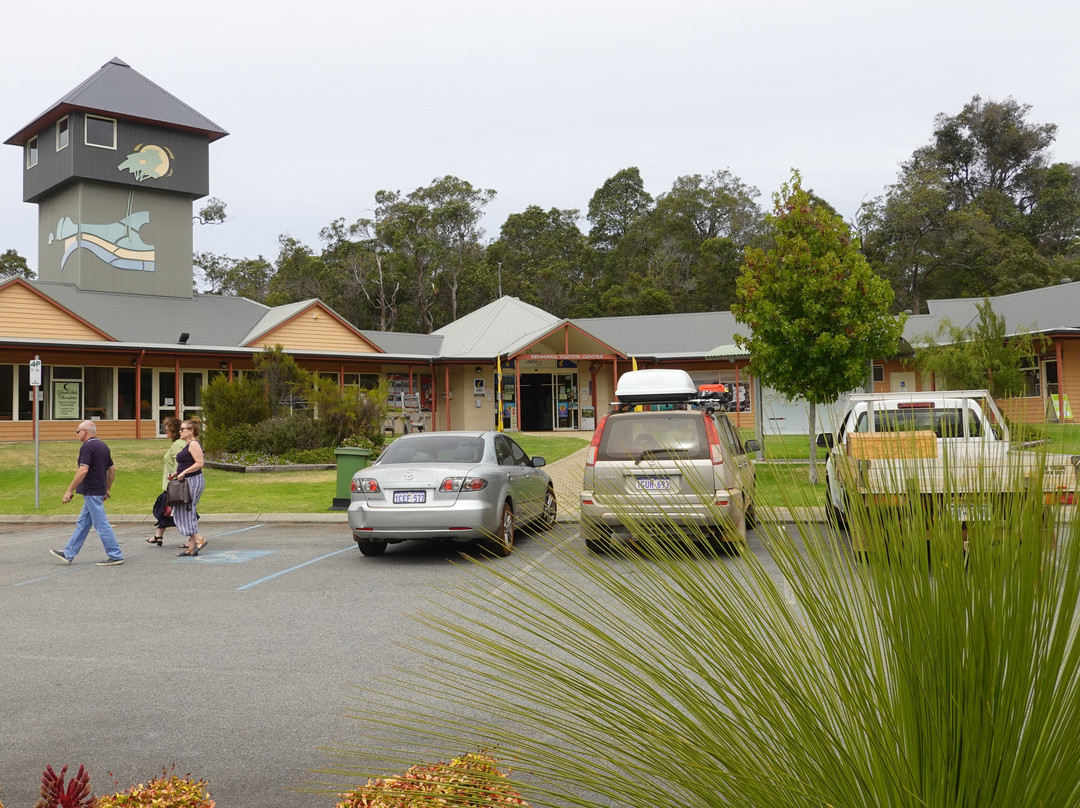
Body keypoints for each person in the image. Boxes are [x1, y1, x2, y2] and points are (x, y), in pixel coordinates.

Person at [51, 421, 124, 566]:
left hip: (92, 491)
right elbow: (112, 469)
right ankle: (69, 553)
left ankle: (115, 555)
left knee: (101, 524)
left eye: (77, 431)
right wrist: (107, 489)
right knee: (83, 523)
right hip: (97, 490)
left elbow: (83, 470)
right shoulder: (103, 446)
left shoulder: (87, 447)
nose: (76, 434)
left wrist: (69, 490)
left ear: (84, 431)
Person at [146, 416, 184, 546]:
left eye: (167, 429)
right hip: (170, 485)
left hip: (173, 485)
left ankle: (194, 538)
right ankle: (158, 536)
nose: (165, 431)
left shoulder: (178, 444)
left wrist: (174, 476)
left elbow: (180, 462)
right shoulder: (177, 443)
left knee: (174, 512)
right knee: (165, 510)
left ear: (174, 430)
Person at [174, 417, 208, 557]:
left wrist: (183, 472)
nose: (180, 431)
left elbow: (199, 463)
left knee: (186, 510)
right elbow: (188, 463)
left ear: (191, 431)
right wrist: (176, 473)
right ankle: (191, 548)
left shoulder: (194, 444)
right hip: (186, 480)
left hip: (193, 481)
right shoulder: (187, 445)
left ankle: (199, 539)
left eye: (183, 429)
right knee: (186, 510)